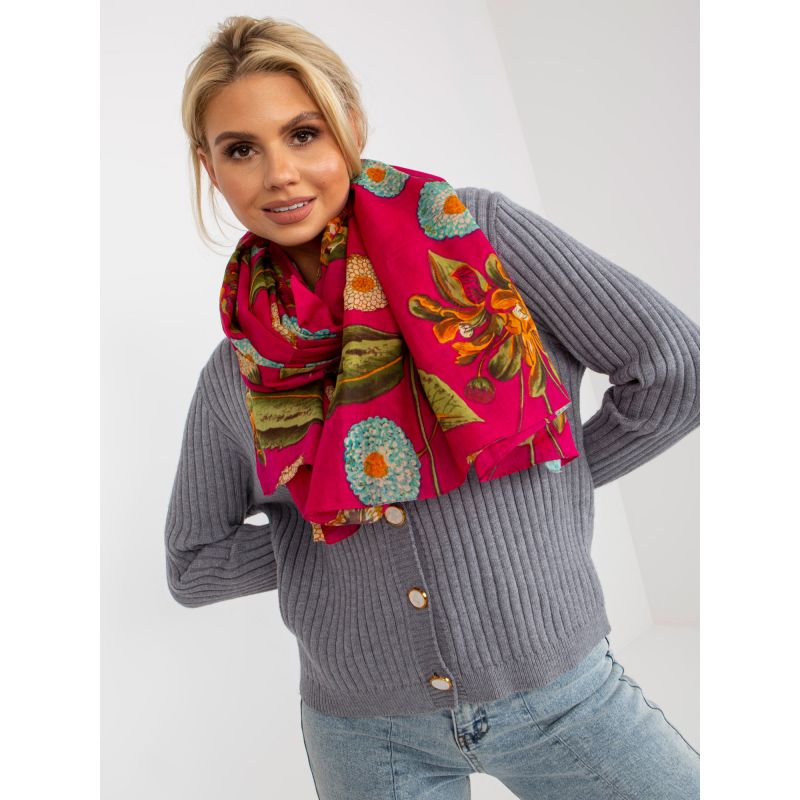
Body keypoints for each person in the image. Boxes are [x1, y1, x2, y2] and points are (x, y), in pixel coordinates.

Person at [165, 14, 700, 800]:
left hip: (562, 699)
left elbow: (676, 371)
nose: (279, 172)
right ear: (210, 168)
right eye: (241, 149)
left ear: (350, 124)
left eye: (304, 133)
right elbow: (193, 563)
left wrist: (548, 475)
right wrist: (327, 527)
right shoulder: (240, 367)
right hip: (364, 735)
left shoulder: (475, 240)